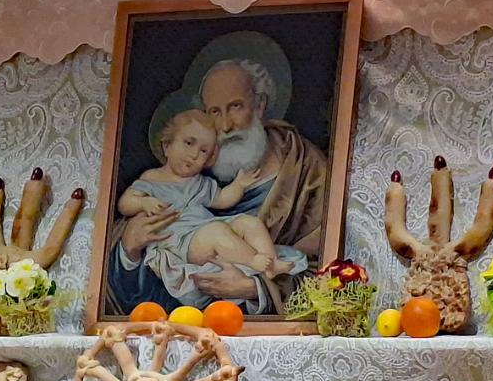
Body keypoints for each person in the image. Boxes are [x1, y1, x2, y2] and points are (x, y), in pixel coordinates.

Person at [107, 57, 329, 315]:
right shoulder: (179, 175)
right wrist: (129, 252)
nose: (225, 126)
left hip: (262, 333)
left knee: (246, 224)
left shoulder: (304, 170)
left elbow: (326, 274)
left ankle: (268, 264)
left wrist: (255, 288)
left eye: (235, 106)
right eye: (214, 112)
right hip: (185, 325)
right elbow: (128, 291)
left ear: (259, 105)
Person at [117, 109, 302, 305]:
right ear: (167, 146)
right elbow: (125, 203)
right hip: (180, 242)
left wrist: (238, 186)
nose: (195, 154)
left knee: (249, 222)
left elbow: (222, 200)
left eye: (204, 151)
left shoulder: (199, 183)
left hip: (204, 229)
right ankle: (253, 261)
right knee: (216, 231)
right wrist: (144, 202)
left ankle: (270, 263)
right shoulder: (152, 178)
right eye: (189, 143)